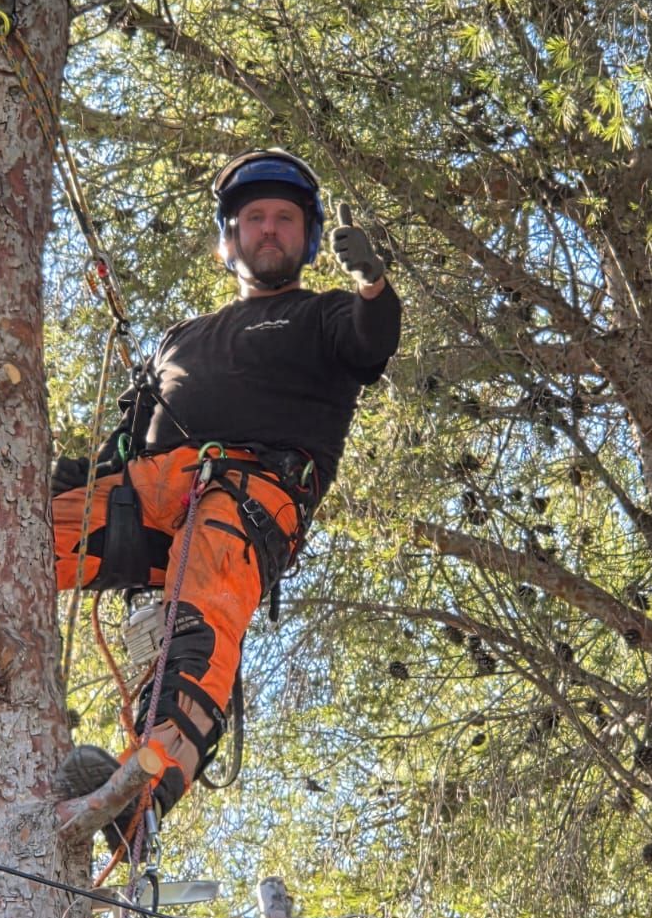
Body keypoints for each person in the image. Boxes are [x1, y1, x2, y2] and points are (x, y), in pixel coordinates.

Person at [51, 150, 401, 849]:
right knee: (23, 532)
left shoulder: (324, 316)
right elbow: (129, 442)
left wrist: (372, 281)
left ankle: (140, 792)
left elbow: (371, 342)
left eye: (285, 220)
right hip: (147, 494)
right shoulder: (180, 339)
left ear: (305, 237)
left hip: (248, 491)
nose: (270, 230)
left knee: (202, 607)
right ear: (228, 239)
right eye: (255, 219)